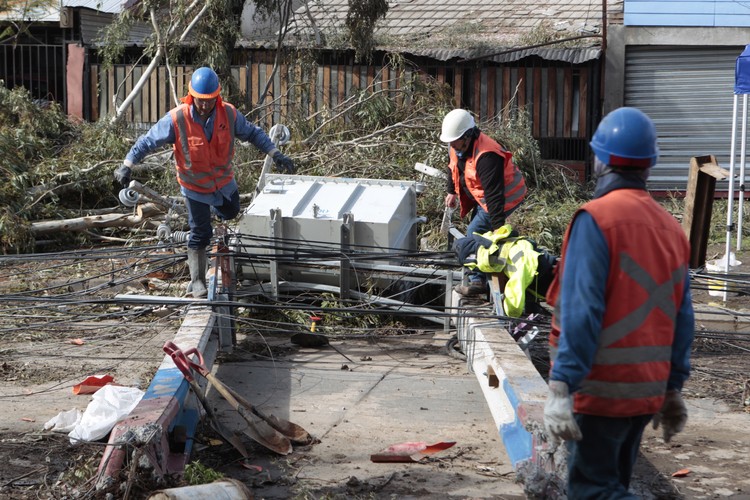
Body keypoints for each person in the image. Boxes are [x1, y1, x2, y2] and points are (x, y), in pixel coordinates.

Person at [542, 107, 695, 498]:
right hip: (645, 393)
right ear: (649, 164)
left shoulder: (596, 219)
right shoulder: (671, 229)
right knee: (614, 485)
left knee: (593, 492)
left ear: (600, 160)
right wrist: (672, 388)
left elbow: (581, 311)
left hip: (600, 393)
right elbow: (682, 317)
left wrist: (561, 386)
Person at [114, 67, 295, 298]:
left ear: (217, 96)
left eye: (209, 100)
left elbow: (253, 133)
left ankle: (213, 214)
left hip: (224, 184)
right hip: (195, 188)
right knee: (201, 232)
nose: (204, 105)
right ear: (192, 96)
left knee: (232, 211)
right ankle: (197, 280)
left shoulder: (228, 114)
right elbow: (147, 141)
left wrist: (275, 153)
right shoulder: (177, 119)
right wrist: (127, 165)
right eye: (200, 100)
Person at [440, 108, 527, 297]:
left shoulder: (487, 155)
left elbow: (494, 196)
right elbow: (452, 166)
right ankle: (486, 268)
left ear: (468, 135)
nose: (452, 145)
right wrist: (451, 191)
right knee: (479, 231)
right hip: (483, 195)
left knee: (475, 231)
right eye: (450, 142)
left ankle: (477, 281)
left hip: (506, 195)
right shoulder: (457, 145)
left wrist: (498, 229)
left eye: (454, 141)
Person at [452, 224, 557, 318]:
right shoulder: (497, 247)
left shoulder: (515, 252)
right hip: (541, 281)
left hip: (551, 277)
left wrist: (510, 311)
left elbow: (519, 282)